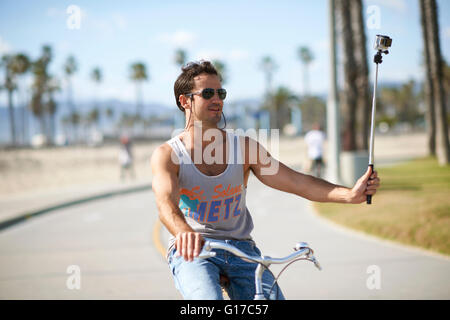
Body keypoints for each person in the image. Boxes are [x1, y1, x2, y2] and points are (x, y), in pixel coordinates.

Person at [150, 60, 380, 300]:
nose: (217, 99)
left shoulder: (246, 149)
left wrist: (349, 194)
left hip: (241, 249)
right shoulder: (168, 155)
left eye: (221, 93)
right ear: (185, 101)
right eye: (208, 93)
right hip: (193, 249)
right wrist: (184, 231)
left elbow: (296, 181)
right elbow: (165, 204)